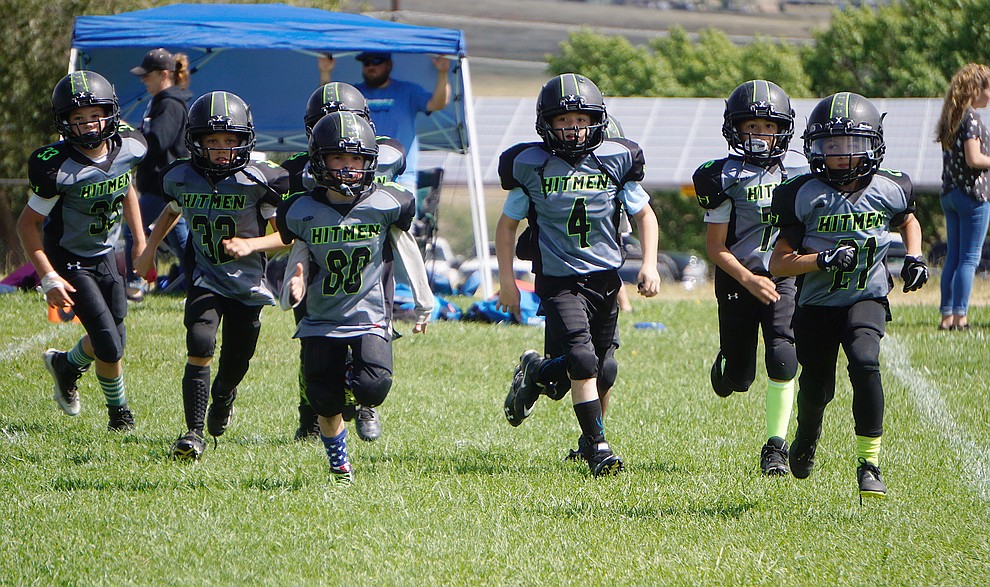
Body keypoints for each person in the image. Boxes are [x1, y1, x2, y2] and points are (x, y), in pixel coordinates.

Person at [495, 74, 661, 477]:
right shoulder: (530, 166)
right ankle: (600, 448)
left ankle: (540, 374)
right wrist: (506, 283)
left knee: (603, 369)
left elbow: (644, 214)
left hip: (604, 278)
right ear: (545, 123)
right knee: (584, 359)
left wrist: (650, 263)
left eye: (580, 119)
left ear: (597, 121)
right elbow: (506, 227)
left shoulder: (614, 160)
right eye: (563, 120)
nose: (572, 128)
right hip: (558, 279)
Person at [769, 92, 929, 501]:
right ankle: (806, 436)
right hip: (817, 304)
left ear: (873, 144)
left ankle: (869, 464)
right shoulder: (800, 192)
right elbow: (779, 264)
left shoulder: (891, 186)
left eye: (853, 145)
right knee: (817, 388)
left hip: (867, 295)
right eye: (831, 145)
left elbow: (909, 221)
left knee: (865, 361)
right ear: (813, 148)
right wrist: (821, 259)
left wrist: (914, 256)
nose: (842, 155)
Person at [277, 111, 433, 485]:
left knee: (373, 387)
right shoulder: (302, 209)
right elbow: (299, 254)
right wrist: (294, 282)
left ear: (370, 163)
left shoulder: (387, 203)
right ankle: (339, 466)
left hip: (370, 314)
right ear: (319, 161)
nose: (348, 168)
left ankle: (353, 386)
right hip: (321, 318)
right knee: (323, 399)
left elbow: (407, 249)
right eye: (338, 159)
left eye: (356, 159)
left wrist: (423, 302)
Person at [134, 91, 289, 460]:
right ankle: (193, 433)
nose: (221, 149)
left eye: (229, 141)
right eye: (213, 141)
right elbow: (172, 211)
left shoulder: (260, 179)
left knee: (236, 361)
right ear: (196, 141)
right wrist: (148, 250)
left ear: (244, 140)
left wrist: (252, 246)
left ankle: (223, 395)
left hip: (248, 284)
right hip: (206, 274)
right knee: (200, 340)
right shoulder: (182, 176)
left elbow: (286, 235)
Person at [17, 71, 147, 431]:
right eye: (78, 118)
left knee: (113, 335)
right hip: (69, 258)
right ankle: (119, 414)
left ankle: (66, 365)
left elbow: (126, 188)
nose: (88, 125)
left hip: (105, 253)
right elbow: (26, 224)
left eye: (94, 115)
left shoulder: (129, 147)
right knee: (108, 343)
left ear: (111, 113)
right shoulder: (57, 167)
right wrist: (48, 276)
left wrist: (141, 240)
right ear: (65, 123)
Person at [279, 81, 407, 442]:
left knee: (370, 332)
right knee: (314, 346)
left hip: (365, 258)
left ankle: (365, 405)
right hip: (319, 265)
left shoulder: (386, 155)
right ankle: (311, 414)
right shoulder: (297, 170)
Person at [693, 80, 799, 476]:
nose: (760, 135)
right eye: (751, 127)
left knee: (783, 355)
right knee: (738, 378)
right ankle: (727, 368)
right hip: (738, 279)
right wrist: (748, 279)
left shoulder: (800, 176)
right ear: (734, 129)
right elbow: (716, 247)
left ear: (783, 129)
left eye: (768, 127)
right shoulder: (723, 177)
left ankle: (776, 448)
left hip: (782, 278)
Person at [320, 51, 450, 194]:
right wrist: (325, 73)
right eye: (366, 63)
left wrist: (443, 73)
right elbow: (328, 108)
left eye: (376, 62)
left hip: (402, 176)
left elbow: (437, 104)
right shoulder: (353, 94)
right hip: (362, 175)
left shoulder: (408, 91)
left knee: (405, 216)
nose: (371, 67)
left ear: (389, 65)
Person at [124, 48, 193, 300]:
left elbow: (158, 141)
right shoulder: (162, 102)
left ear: (164, 74)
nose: (143, 79)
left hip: (162, 185)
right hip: (164, 185)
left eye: (147, 75)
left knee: (135, 229)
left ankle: (134, 284)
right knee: (180, 241)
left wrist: (132, 142)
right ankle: (199, 284)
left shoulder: (169, 104)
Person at [934, 63, 990, 331]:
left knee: (954, 258)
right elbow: (974, 158)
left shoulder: (951, 117)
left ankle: (946, 316)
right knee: (969, 259)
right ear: (976, 89)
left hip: (950, 194)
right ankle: (960, 317)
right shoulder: (972, 119)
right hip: (973, 195)